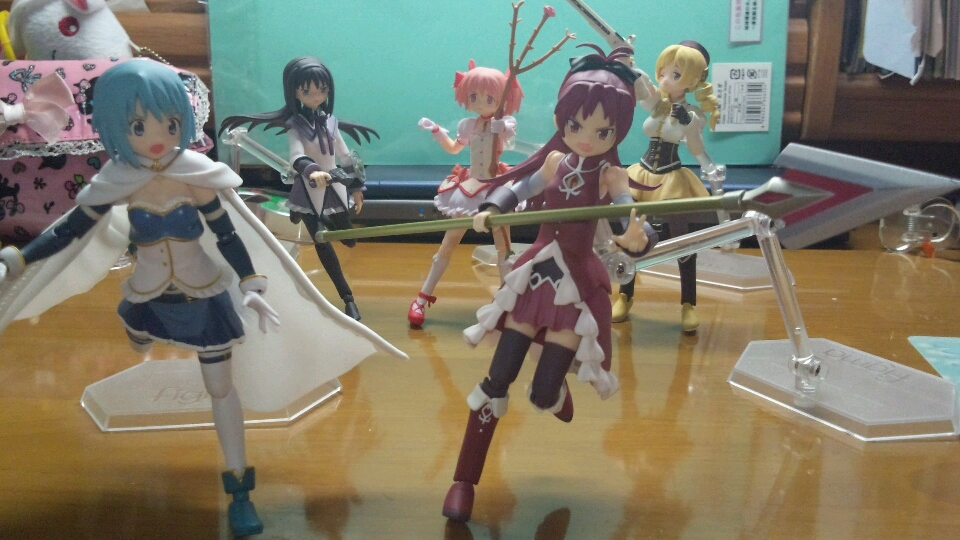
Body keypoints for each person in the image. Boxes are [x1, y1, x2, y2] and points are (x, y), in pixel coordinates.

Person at [443, 45, 658, 522]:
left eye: (602, 130)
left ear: (617, 131)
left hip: (575, 288)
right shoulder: (554, 162)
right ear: (563, 119)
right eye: (576, 125)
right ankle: (463, 481)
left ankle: (553, 394)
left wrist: (636, 238)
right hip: (534, 277)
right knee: (497, 378)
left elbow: (626, 218)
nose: (586, 138)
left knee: (542, 393)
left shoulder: (611, 174)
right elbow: (519, 188)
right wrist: (492, 208)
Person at [219, 57, 378, 320]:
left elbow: (345, 155)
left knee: (349, 239)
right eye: (307, 91)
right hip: (310, 188)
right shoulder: (296, 126)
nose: (316, 96)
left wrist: (357, 186)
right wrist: (311, 170)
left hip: (335, 187)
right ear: (294, 92)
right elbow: (296, 155)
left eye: (321, 90)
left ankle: (319, 220)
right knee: (321, 241)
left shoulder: (331, 122)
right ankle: (348, 299)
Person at [615, 41, 722, 332]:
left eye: (675, 75)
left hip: (671, 178)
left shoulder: (693, 114)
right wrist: (626, 62)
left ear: (693, 81)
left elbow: (696, 149)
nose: (665, 80)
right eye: (663, 72)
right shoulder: (657, 103)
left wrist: (690, 129)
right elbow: (641, 85)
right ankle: (625, 294)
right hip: (642, 174)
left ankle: (688, 303)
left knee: (682, 240)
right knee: (630, 234)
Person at [409, 61, 524, 328]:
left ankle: (506, 304)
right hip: (470, 187)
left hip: (496, 188)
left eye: (489, 98)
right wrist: (438, 131)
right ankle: (422, 298)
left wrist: (501, 127)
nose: (480, 103)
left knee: (503, 248)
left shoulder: (505, 122)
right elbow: (454, 149)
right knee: (448, 243)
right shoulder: (468, 125)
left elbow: (508, 135)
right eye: (474, 96)